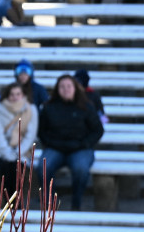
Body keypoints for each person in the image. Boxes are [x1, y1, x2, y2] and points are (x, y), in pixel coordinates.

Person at [37, 73, 104, 210]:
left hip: (80, 147)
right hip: (55, 147)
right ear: (57, 89)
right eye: (62, 86)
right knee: (44, 167)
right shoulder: (48, 107)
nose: (65, 89)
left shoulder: (87, 106)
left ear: (75, 88)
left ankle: (76, 202)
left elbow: (98, 130)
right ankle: (50, 202)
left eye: (69, 86)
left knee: (81, 169)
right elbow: (41, 131)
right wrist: (50, 143)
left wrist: (85, 143)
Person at [0, 83, 39, 197]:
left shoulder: (31, 109)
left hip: (23, 149)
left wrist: (18, 152)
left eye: (18, 94)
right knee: (6, 166)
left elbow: (30, 135)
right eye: (11, 94)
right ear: (7, 95)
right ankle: (8, 203)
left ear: (23, 95)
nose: (15, 97)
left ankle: (17, 203)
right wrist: (7, 152)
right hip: (1, 150)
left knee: (18, 168)